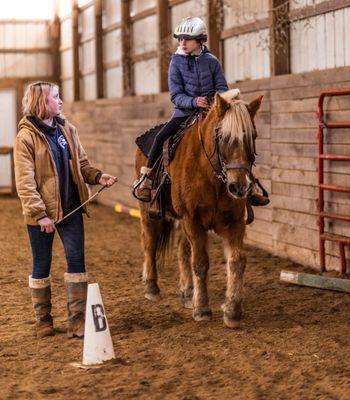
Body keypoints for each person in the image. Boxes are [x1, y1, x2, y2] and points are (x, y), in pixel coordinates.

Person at [14, 81, 117, 339]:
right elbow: (25, 183)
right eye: (56, 97)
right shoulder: (25, 137)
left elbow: (82, 164)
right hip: (42, 215)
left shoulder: (67, 129)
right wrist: (40, 215)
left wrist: (97, 176)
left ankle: (77, 321)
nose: (60, 101)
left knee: (76, 262)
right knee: (41, 265)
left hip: (70, 208)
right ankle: (43, 320)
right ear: (42, 102)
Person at [134, 16, 269, 207]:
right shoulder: (176, 62)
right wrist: (193, 101)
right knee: (160, 137)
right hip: (184, 112)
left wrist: (218, 101)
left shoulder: (212, 61)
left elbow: (222, 86)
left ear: (200, 40)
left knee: (236, 140)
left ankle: (250, 184)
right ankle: (146, 178)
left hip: (213, 112)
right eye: (180, 39)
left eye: (187, 39)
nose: (182, 43)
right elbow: (176, 95)